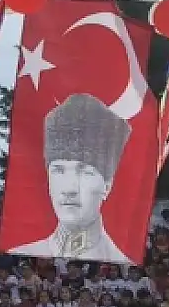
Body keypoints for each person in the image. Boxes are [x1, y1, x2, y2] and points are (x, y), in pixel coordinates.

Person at [14, 93, 133, 263]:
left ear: (107, 185)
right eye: (58, 170)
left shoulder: (120, 262)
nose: (69, 189)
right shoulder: (23, 252)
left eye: (85, 172)